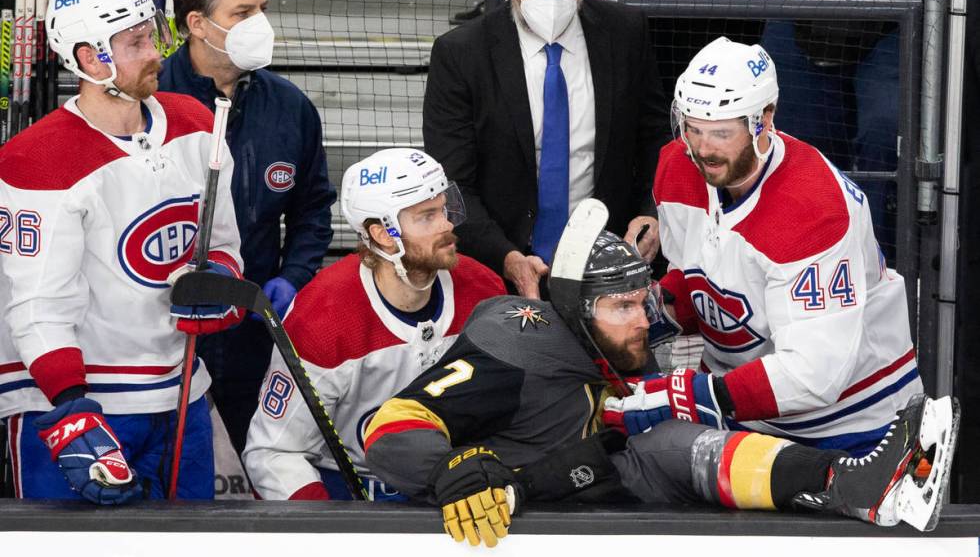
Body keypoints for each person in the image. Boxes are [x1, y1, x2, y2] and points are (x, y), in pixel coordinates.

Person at [362, 202, 957, 546]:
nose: (641, 320)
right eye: (620, 307)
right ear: (575, 312)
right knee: (664, 438)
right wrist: (452, 471)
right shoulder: (518, 345)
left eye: (640, 300)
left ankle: (856, 486)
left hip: (580, 476)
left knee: (673, 441)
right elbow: (389, 427)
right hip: (500, 520)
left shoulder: (612, 337)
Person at [601, 36, 922, 455]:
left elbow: (814, 376)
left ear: (764, 119)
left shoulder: (812, 208)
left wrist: (693, 396)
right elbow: (703, 280)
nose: (702, 149)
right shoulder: (677, 166)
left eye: (720, 132)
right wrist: (647, 311)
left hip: (856, 422)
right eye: (692, 128)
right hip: (741, 413)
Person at [0, 0, 244, 502]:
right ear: (90, 59)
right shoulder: (36, 159)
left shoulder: (195, 122)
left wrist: (220, 279)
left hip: (182, 396)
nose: (155, 51)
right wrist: (71, 414)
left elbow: (221, 239)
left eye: (151, 34)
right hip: (79, 407)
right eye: (134, 43)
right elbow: (39, 306)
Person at [422, 0, 671, 299]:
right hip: (499, 269)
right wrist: (506, 257)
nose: (553, 4)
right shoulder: (461, 55)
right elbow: (453, 183)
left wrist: (651, 214)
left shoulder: (626, 33)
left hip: (608, 265)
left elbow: (655, 138)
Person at [242, 148, 505, 500]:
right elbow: (273, 453)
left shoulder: (483, 290)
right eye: (427, 217)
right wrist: (327, 530)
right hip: (348, 487)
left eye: (444, 209)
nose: (447, 225)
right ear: (383, 234)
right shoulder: (323, 315)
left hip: (453, 480)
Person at [158, 0, 336, 455]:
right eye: (243, 13)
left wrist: (294, 276)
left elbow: (313, 208)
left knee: (258, 461)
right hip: (160, 333)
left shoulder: (290, 107)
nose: (260, 23)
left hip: (253, 330)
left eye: (262, 8)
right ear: (198, 23)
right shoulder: (151, 107)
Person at [761, 0, 929, 261]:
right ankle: (792, 263)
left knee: (885, 135)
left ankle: (878, 272)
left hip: (904, 9)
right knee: (788, 142)